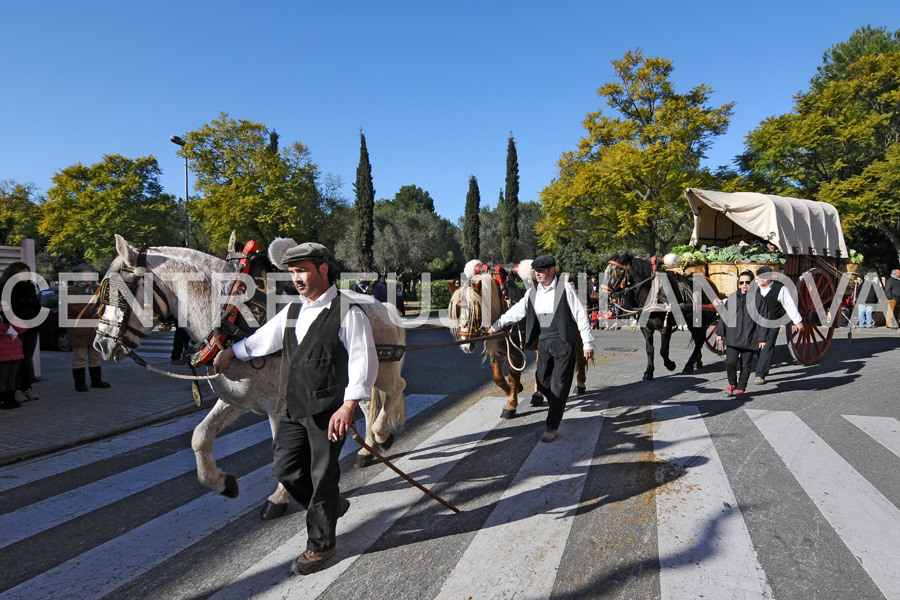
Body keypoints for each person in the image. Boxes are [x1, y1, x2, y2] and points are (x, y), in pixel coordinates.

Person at [212, 242, 377, 576]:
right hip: (291, 404)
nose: (297, 278)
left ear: (323, 269)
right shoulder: (291, 311)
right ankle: (331, 506)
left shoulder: (349, 312)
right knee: (285, 469)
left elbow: (363, 360)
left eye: (302, 270)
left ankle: (321, 545)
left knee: (322, 476)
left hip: (328, 410)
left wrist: (348, 406)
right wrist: (232, 352)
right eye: (292, 272)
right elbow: (263, 340)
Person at [487, 255, 594, 443]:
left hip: (564, 343)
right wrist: (496, 325)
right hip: (544, 342)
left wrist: (587, 343)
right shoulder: (533, 291)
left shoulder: (565, 288)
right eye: (536, 271)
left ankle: (551, 426)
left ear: (552, 271)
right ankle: (557, 405)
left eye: (541, 271)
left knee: (559, 385)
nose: (538, 274)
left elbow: (580, 315)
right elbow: (517, 310)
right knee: (542, 381)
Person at [714, 270, 767, 398]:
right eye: (742, 282)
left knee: (746, 365)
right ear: (739, 283)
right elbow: (724, 316)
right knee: (730, 362)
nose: (744, 285)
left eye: (747, 282)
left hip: (750, 337)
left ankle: (741, 388)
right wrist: (720, 333)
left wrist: (762, 338)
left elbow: (763, 321)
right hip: (733, 336)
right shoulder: (732, 297)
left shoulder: (759, 300)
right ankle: (732, 384)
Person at [753, 265, 805, 385]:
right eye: (759, 278)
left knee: (767, 347)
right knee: (755, 346)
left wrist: (797, 321)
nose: (761, 280)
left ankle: (760, 374)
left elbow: (789, 305)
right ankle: (763, 364)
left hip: (772, 322)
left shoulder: (780, 289)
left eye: (764, 278)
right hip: (756, 323)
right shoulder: (754, 289)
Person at [68, 263, 111, 392]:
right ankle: (80, 384)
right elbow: (79, 309)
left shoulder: (97, 289)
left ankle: (96, 381)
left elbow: (105, 306)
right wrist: (97, 308)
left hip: (95, 329)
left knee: (95, 357)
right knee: (80, 358)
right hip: (79, 330)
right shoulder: (72, 290)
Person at [1, 262, 40, 402]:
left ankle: (27, 387)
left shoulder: (31, 287)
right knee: (16, 359)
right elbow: (5, 309)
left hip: (31, 327)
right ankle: (15, 389)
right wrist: (11, 326)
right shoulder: (5, 287)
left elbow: (36, 306)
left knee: (28, 358)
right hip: (14, 329)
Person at [0, 296, 25, 410]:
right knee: (2, 376)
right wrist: (5, 323)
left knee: (12, 376)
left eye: (5, 306)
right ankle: (3, 399)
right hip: (2, 352)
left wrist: (11, 319)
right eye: (0, 306)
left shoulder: (10, 316)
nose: (2, 308)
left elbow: (22, 329)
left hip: (15, 351)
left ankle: (11, 398)